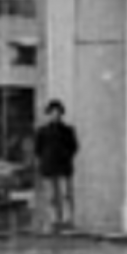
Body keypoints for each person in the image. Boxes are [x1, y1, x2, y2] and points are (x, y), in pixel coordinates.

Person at [34, 99, 79, 233]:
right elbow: (38, 149)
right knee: (51, 196)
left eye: (58, 112)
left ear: (61, 114)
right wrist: (44, 159)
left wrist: (66, 156)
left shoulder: (68, 130)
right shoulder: (42, 131)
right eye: (53, 113)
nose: (55, 115)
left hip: (64, 166)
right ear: (49, 114)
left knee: (66, 194)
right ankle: (53, 220)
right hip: (48, 166)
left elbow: (74, 146)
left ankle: (67, 220)